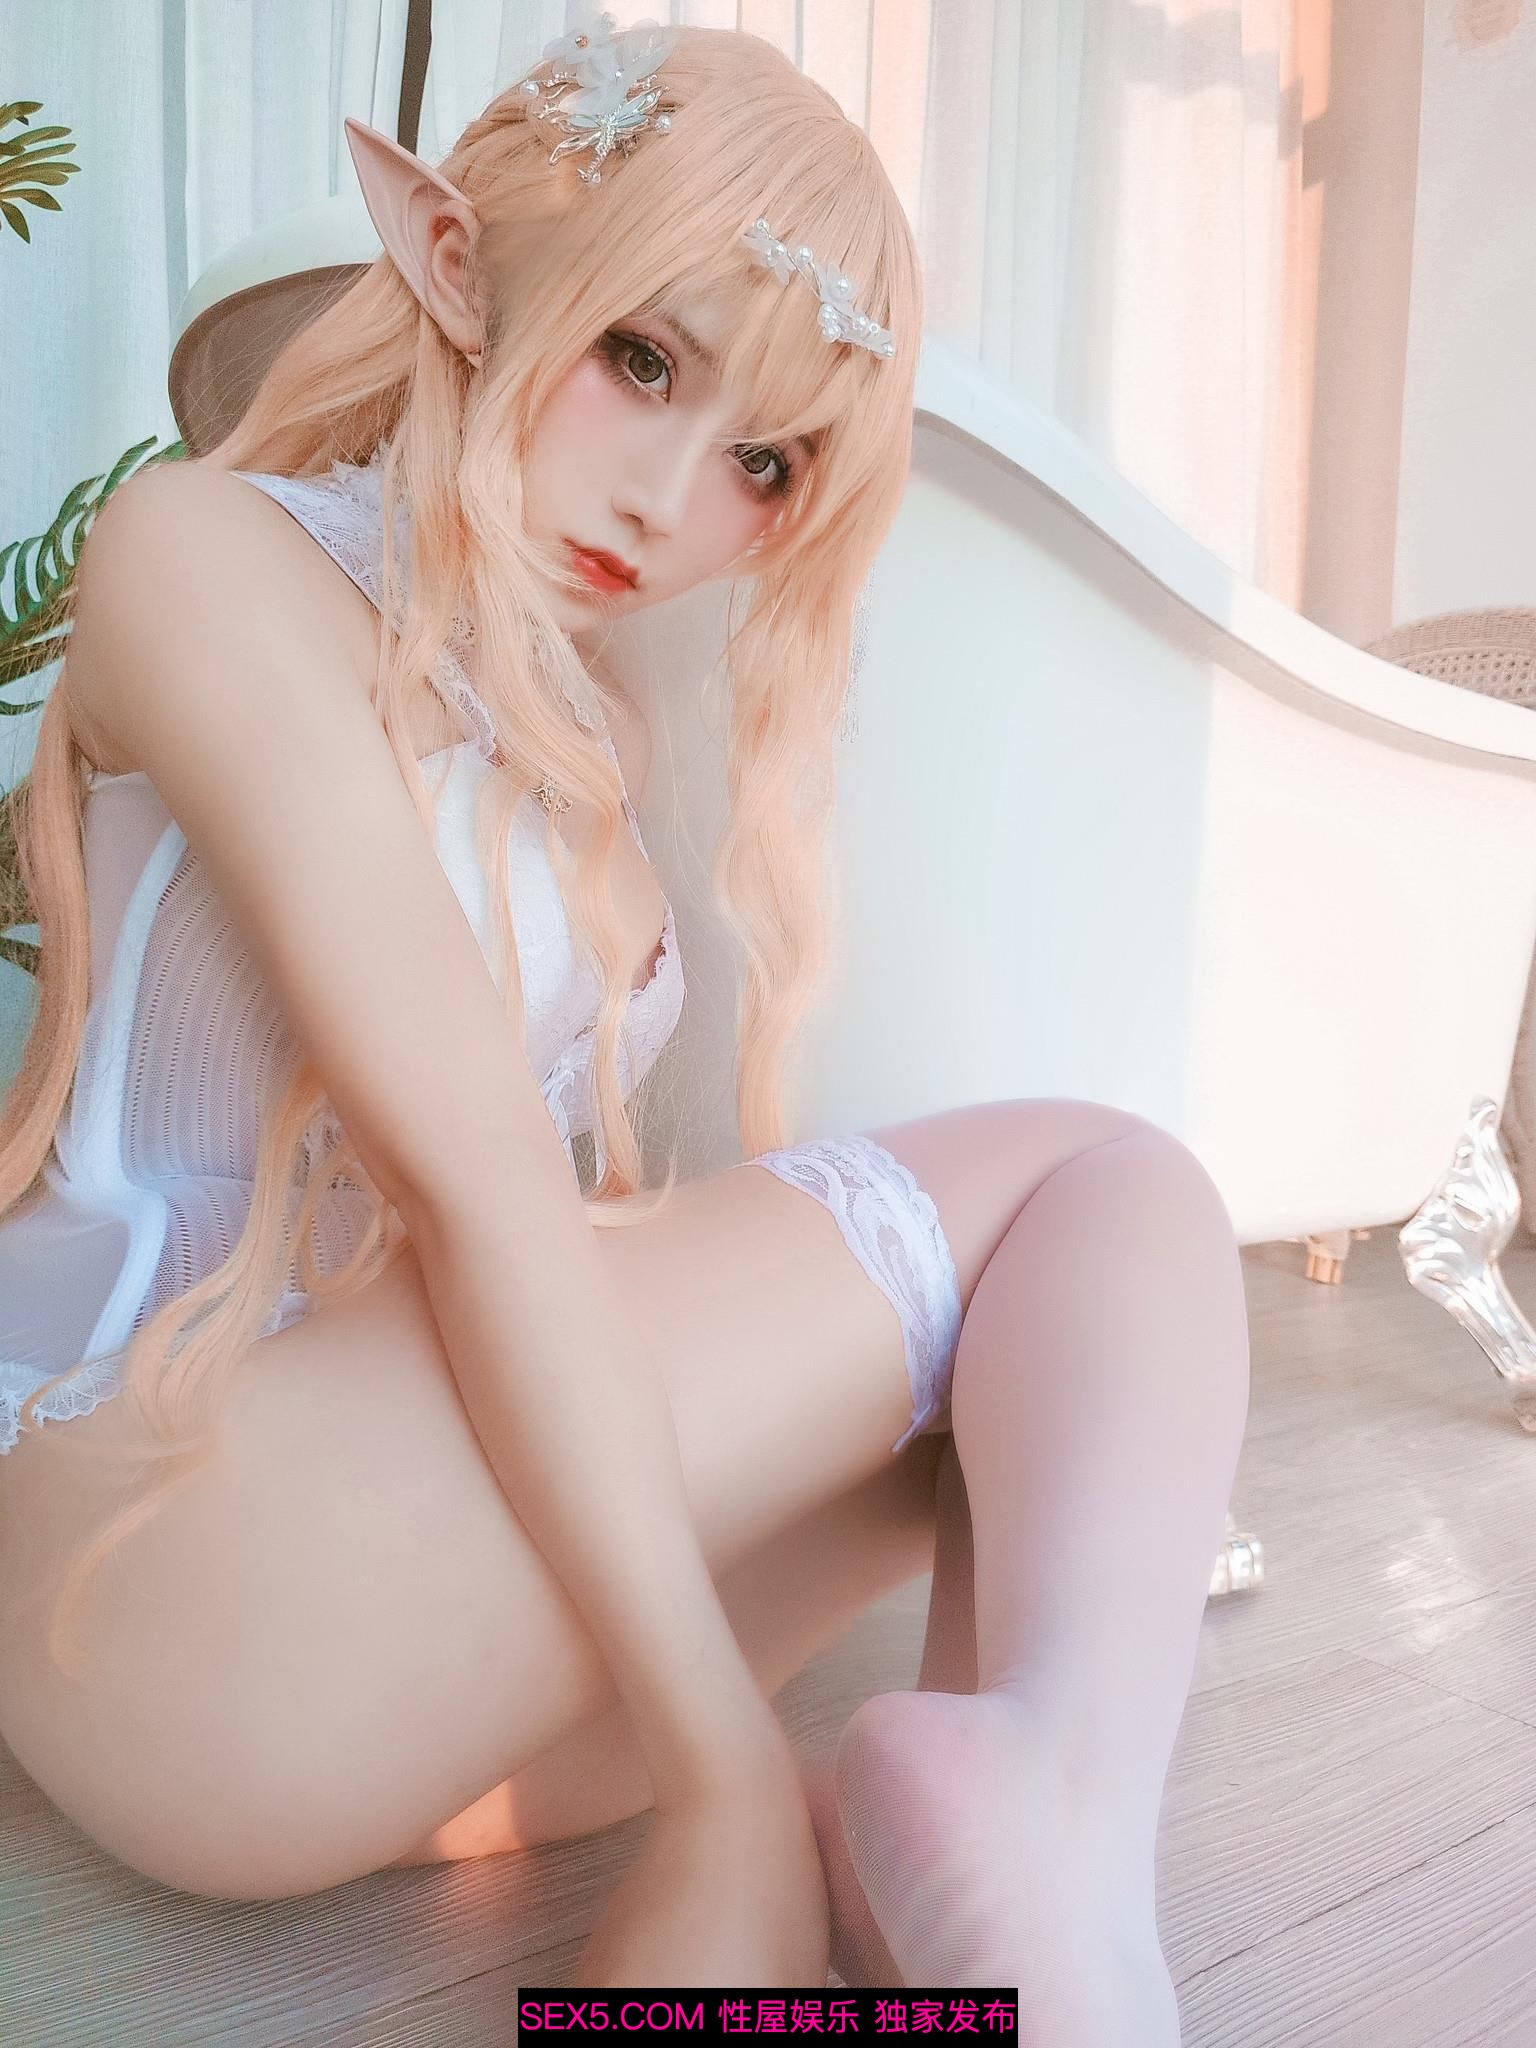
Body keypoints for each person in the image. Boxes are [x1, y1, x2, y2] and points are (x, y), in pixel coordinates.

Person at [0, 18, 1249, 2031]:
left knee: (998, 1428)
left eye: (765, 463)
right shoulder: (208, 555)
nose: (672, 500)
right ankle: (1017, 1796)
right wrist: (722, 1770)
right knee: (1104, 1182)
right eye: (644, 361)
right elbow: (480, 1187)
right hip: (155, 1552)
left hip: (351, 1676)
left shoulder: (593, 735)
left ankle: (1035, 1912)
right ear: (457, 260)